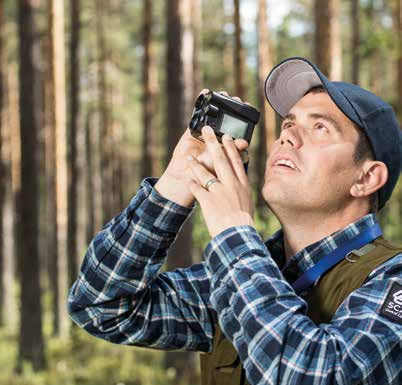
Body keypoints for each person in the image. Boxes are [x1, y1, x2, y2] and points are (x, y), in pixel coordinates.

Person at [67, 57, 402, 385]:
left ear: (367, 178)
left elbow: (315, 374)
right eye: (288, 124)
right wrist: (177, 182)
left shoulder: (391, 278)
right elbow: (102, 306)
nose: (288, 137)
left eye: (319, 127)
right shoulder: (244, 274)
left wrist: (234, 232)